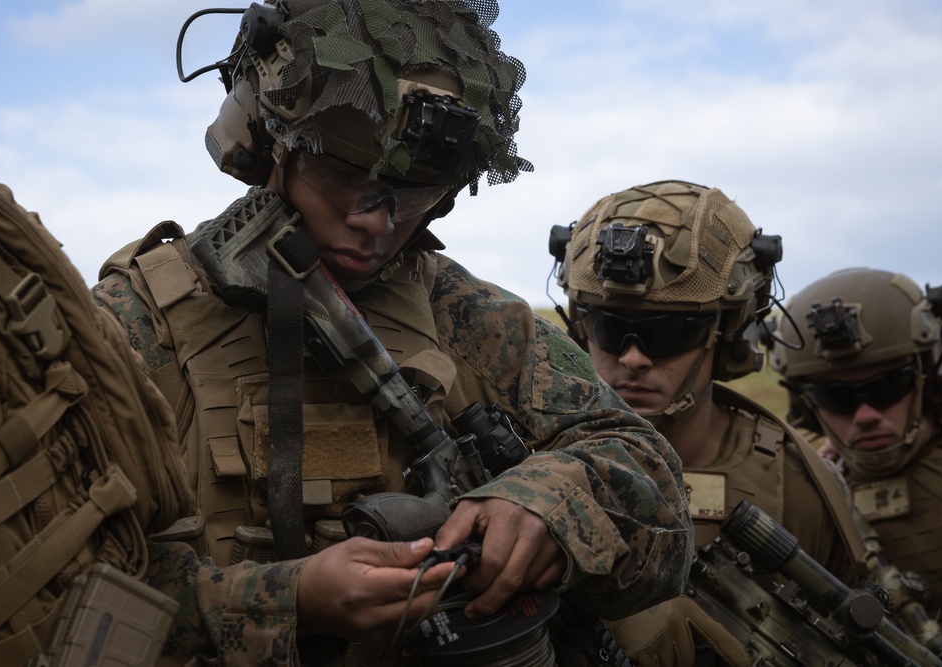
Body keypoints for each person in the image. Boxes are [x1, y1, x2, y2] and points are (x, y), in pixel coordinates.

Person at [92, 1, 693, 664]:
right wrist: (286, 599)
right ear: (268, 145)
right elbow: (49, 596)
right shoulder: (136, 323)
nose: (374, 220)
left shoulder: (467, 315)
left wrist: (549, 501)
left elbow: (656, 494)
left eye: (409, 191)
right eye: (342, 176)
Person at [549, 180, 877, 666]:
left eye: (669, 331)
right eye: (611, 328)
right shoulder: (521, 450)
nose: (634, 357)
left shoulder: (802, 485)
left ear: (728, 335)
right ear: (580, 325)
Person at [767, 267, 942, 633]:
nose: (866, 415)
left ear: (924, 378)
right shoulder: (799, 495)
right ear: (806, 402)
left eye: (886, 387)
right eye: (836, 397)